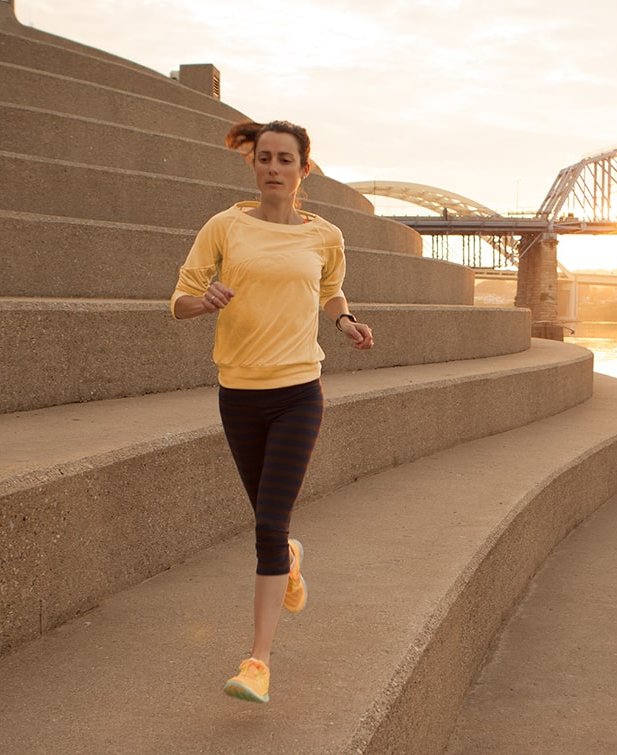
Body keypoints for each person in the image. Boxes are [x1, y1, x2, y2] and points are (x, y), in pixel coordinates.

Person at [171, 120, 374, 704]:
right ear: (253, 165)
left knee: (267, 522)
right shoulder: (223, 228)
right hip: (238, 394)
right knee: (268, 519)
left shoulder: (325, 236)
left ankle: (257, 661)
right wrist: (201, 301)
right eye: (265, 158)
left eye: (286, 159)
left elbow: (330, 290)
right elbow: (180, 298)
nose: (274, 168)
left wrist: (344, 321)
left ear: (303, 169)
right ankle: (288, 559)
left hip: (297, 393)